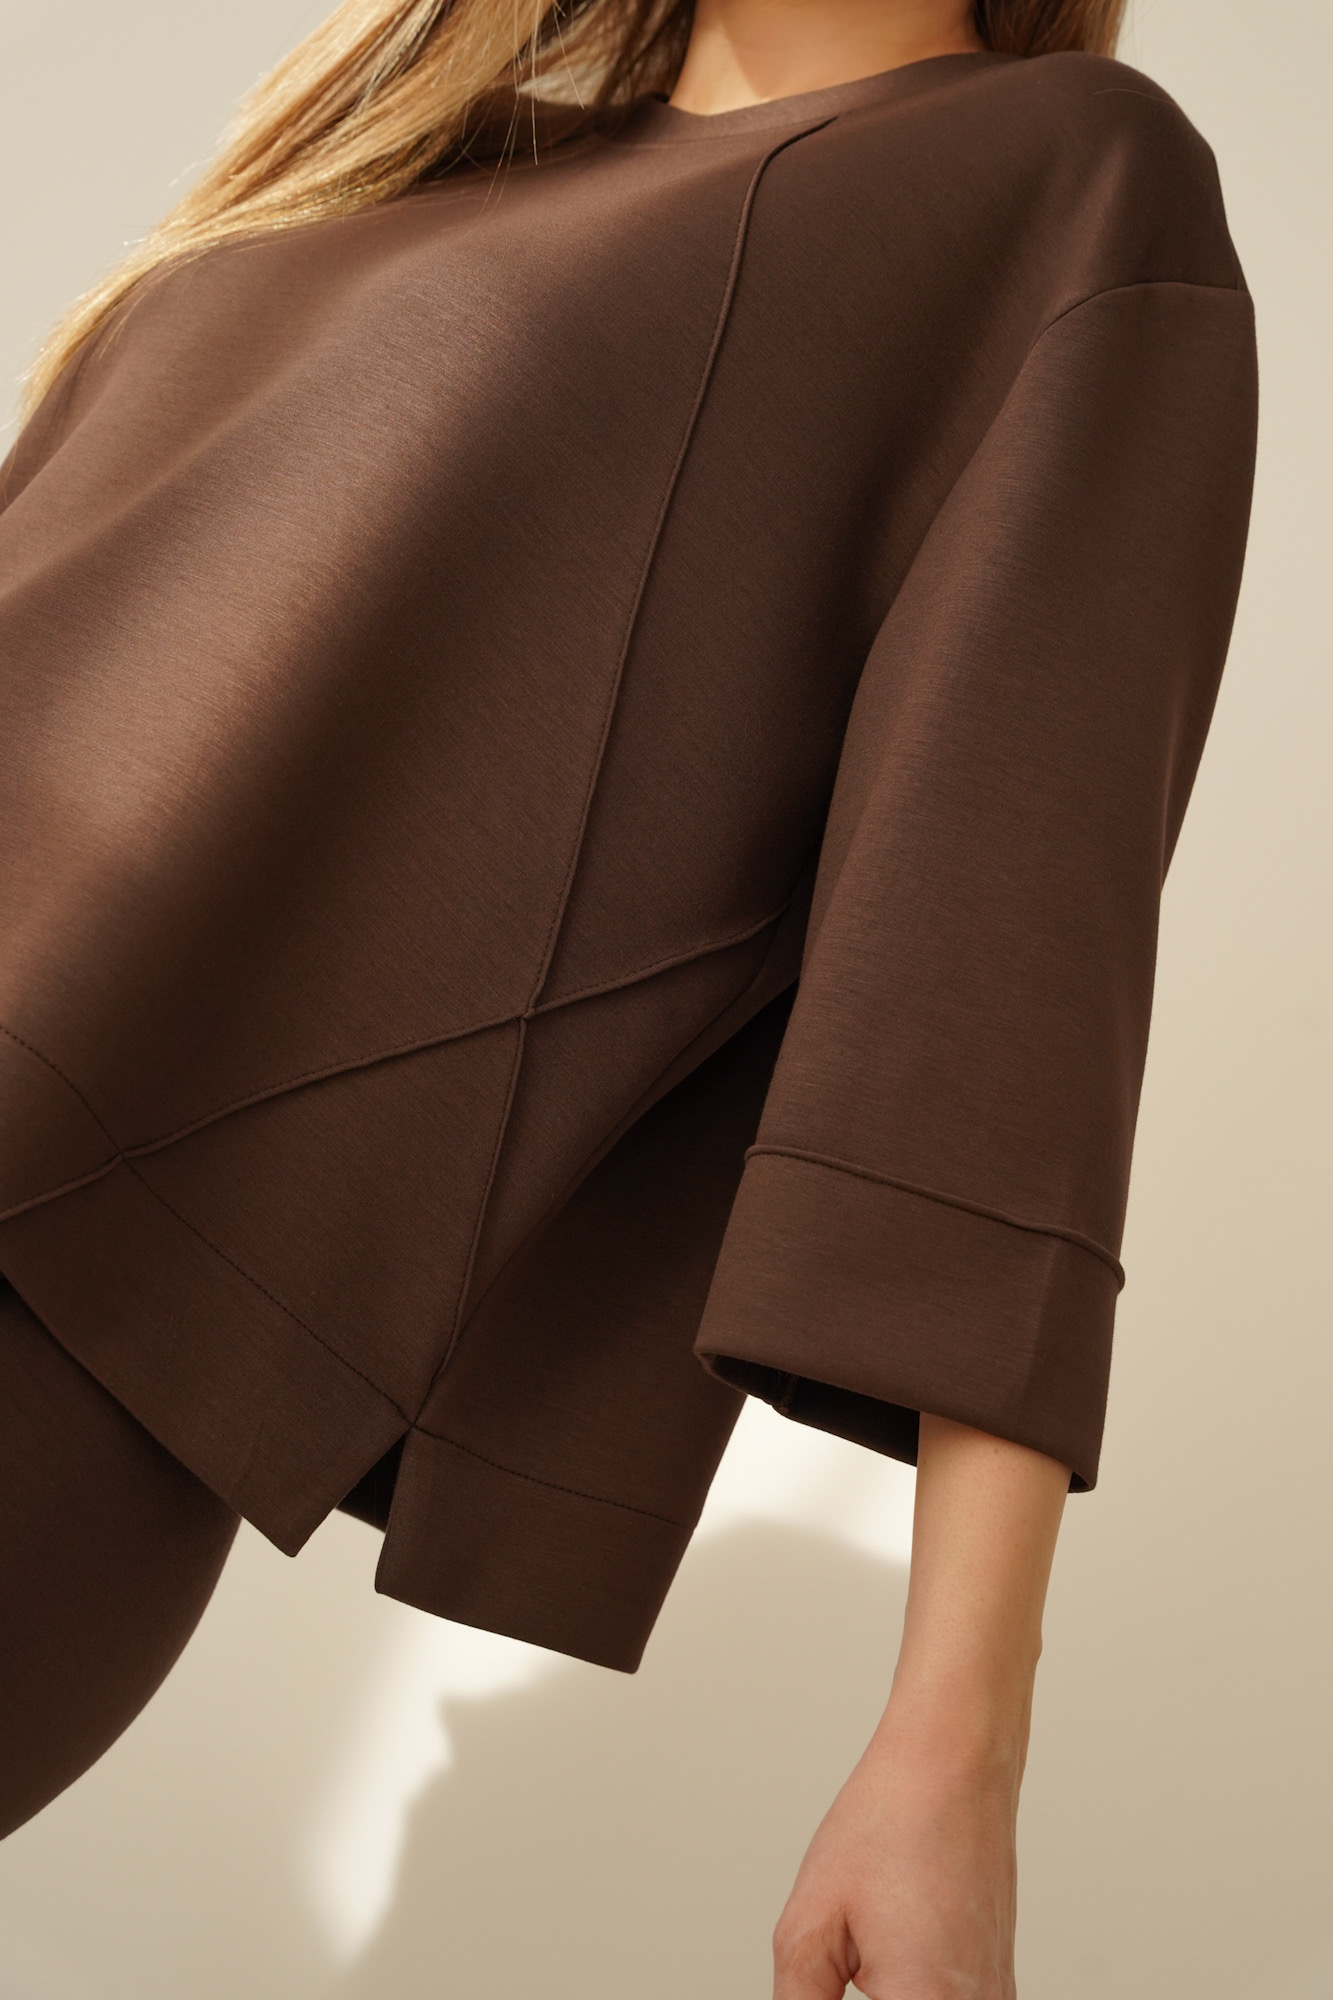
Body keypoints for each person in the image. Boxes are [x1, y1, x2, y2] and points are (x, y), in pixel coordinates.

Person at [0, 0, 1255, 1990]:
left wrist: (950, 1751)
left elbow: (1004, 949)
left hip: (57, 1279)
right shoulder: (419, 153)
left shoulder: (1062, 180)